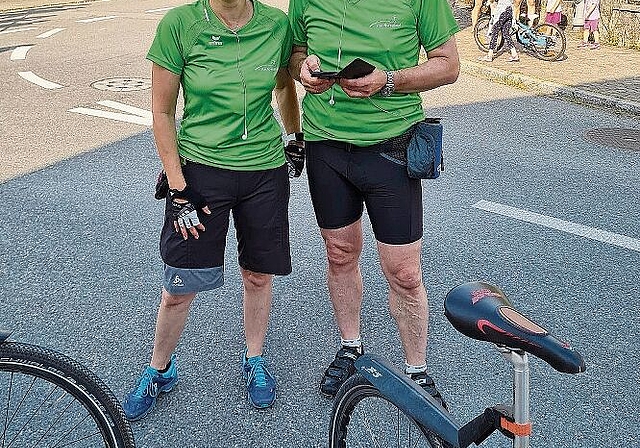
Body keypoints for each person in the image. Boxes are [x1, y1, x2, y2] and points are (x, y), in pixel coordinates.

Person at [122, 0, 302, 420]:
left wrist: (295, 135)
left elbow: (283, 85)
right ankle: (159, 368)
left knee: (258, 274)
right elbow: (162, 113)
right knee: (179, 288)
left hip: (263, 171)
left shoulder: (275, 25)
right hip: (200, 173)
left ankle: (254, 359)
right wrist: (177, 188)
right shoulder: (180, 24)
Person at [287, 0, 460, 405]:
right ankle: (351, 347)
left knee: (404, 272)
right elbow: (296, 50)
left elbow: (448, 65)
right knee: (340, 252)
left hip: (391, 148)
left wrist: (388, 81)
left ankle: (417, 370)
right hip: (326, 145)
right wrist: (303, 68)